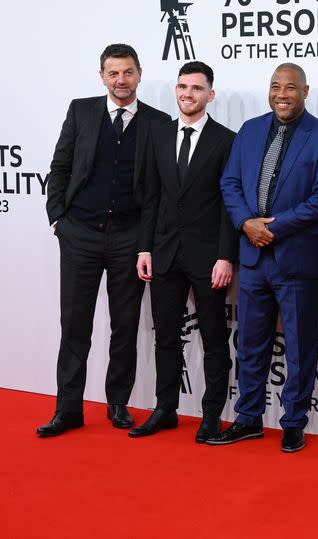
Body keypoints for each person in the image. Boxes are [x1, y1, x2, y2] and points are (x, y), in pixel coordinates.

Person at [39, 44, 170, 437]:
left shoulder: (158, 122)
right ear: (102, 77)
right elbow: (60, 165)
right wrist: (58, 219)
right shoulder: (81, 110)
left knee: (125, 325)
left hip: (129, 238)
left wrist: (146, 241)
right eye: (113, 73)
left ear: (140, 74)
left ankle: (118, 404)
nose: (121, 80)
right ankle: (68, 409)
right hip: (79, 233)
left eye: (127, 72)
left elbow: (158, 190)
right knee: (74, 324)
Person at [210, 63, 318, 452]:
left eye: (290, 87)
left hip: (297, 260)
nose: (282, 94)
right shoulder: (249, 131)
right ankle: (248, 417)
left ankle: (294, 422)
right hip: (252, 259)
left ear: (305, 90)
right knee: (250, 344)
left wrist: (273, 227)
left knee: (300, 348)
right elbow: (229, 183)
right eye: (275, 86)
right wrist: (245, 223)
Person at [130, 61, 237, 443]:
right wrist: (145, 247)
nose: (187, 94)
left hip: (209, 258)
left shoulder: (226, 140)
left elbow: (230, 204)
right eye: (182, 87)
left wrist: (227, 255)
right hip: (164, 253)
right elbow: (150, 198)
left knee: (213, 338)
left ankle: (211, 415)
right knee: (166, 337)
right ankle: (165, 409)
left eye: (196, 88)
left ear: (211, 94)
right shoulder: (158, 135)